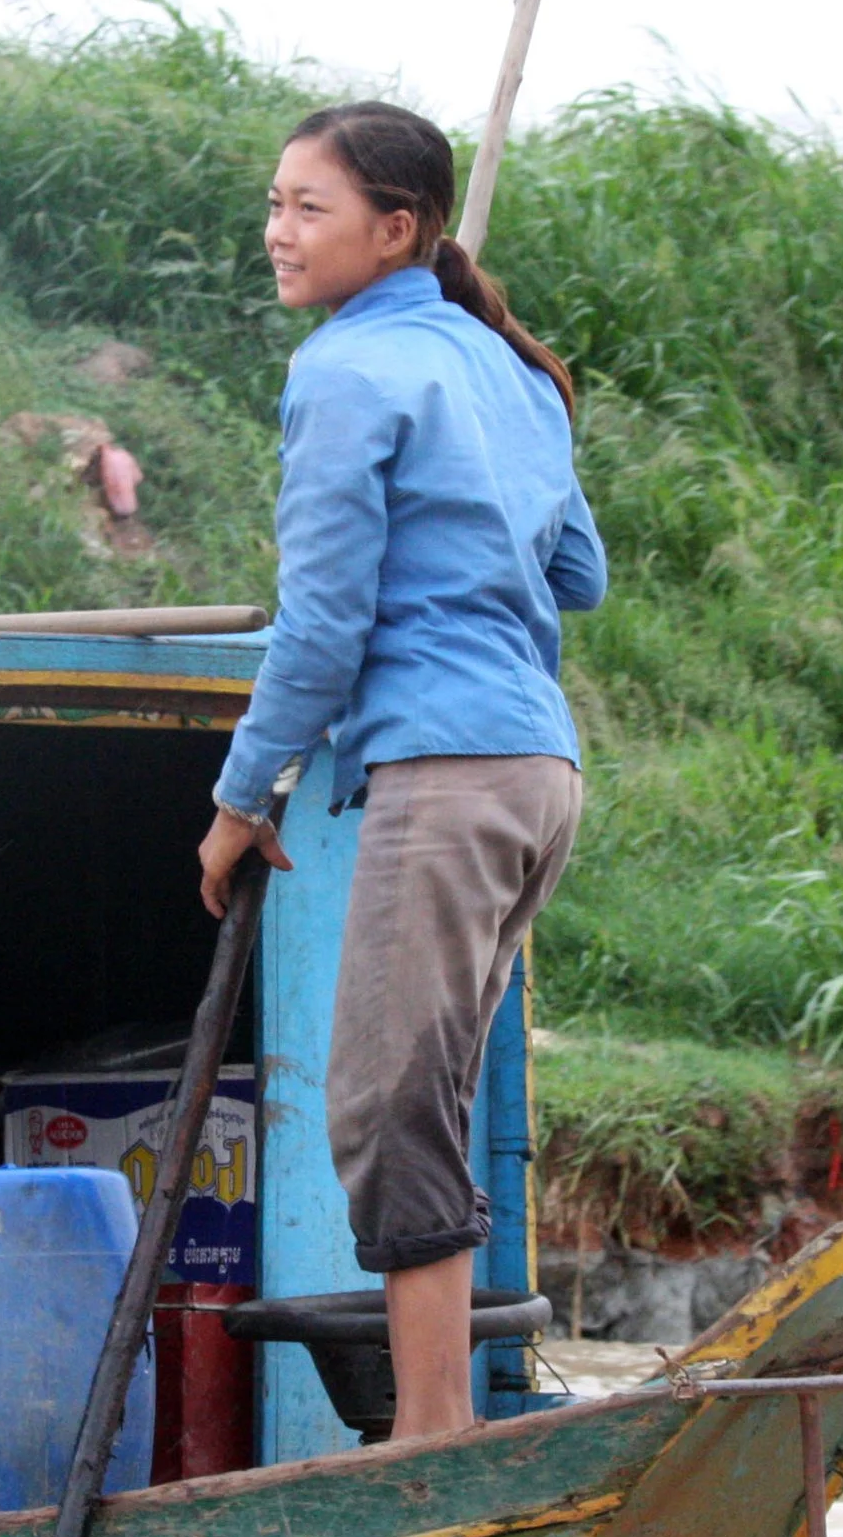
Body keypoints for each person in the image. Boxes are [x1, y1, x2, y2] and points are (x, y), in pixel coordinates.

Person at [198, 102, 607, 1444]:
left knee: (384, 1098)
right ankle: (445, 1420)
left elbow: (323, 624)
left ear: (398, 228)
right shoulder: (510, 368)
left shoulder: (346, 371)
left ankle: (434, 1434)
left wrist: (241, 797)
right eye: (270, 204)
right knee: (421, 1089)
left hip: (443, 768)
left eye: (308, 209)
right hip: (535, 771)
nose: (275, 232)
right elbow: (578, 575)